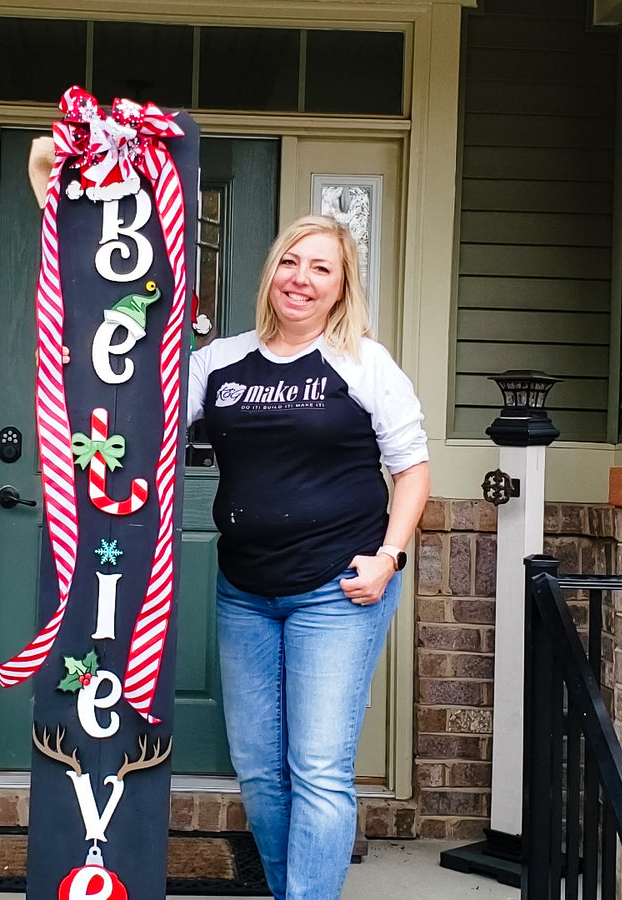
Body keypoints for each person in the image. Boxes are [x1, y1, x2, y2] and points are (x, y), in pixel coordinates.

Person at [187, 215, 430, 900]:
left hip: (339, 590)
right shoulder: (220, 363)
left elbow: (412, 469)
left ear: (341, 285)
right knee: (261, 772)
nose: (301, 279)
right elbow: (145, 420)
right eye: (291, 262)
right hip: (245, 590)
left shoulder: (363, 363)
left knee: (318, 768)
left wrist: (388, 557)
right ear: (272, 273)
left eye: (321, 268)